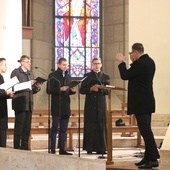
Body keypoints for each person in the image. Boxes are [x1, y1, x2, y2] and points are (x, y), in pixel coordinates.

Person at [115, 43, 160, 169]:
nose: (130, 56)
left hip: (141, 103)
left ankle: (153, 158)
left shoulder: (140, 63)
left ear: (135, 52)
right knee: (146, 130)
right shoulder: (150, 61)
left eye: (131, 53)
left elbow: (125, 75)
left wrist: (122, 62)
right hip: (147, 101)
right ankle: (147, 157)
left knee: (145, 131)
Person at [11, 55, 43, 150]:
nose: (29, 63)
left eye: (30, 62)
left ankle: (25, 148)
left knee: (26, 129)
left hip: (29, 104)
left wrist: (37, 87)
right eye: (27, 62)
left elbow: (31, 91)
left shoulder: (30, 74)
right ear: (22, 62)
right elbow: (14, 88)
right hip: (20, 104)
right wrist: (29, 83)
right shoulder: (16, 72)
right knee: (19, 129)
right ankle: (17, 148)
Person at [79, 57, 110, 154]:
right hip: (90, 104)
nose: (97, 65)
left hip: (101, 104)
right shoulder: (87, 76)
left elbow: (108, 91)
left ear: (101, 65)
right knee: (90, 125)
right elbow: (81, 90)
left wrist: (100, 88)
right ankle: (89, 147)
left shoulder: (105, 76)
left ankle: (102, 148)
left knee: (101, 125)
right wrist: (91, 89)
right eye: (95, 63)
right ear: (92, 65)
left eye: (98, 63)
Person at [46, 57, 76, 155]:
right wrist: (60, 89)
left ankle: (62, 149)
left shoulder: (68, 76)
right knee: (55, 128)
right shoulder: (52, 75)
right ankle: (52, 148)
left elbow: (68, 91)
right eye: (64, 65)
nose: (66, 66)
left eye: (67, 65)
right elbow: (49, 90)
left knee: (64, 129)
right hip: (56, 105)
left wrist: (72, 91)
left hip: (66, 105)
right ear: (58, 65)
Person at [0, 58, 14, 147]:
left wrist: (9, 95)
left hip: (2, 109)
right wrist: (6, 93)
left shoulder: (1, 77)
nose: (6, 67)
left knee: (2, 132)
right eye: (5, 64)